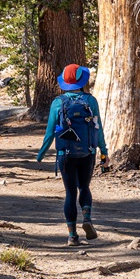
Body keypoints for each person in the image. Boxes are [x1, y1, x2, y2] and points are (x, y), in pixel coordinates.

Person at [36, 64, 109, 247]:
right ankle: (87, 217)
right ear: (82, 81)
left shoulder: (58, 102)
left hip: (65, 153)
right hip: (88, 151)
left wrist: (41, 154)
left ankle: (72, 236)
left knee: (70, 192)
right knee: (84, 187)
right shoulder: (90, 101)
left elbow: (50, 131)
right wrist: (104, 152)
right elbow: (98, 129)